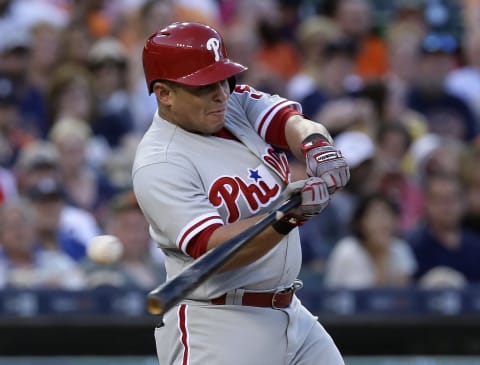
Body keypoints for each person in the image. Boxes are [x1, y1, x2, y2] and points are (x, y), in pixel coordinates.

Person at [132, 22, 349, 365]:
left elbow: (290, 122)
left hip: (291, 312)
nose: (221, 92)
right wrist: (287, 216)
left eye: (223, 79)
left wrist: (316, 146)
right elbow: (218, 251)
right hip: (218, 326)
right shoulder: (159, 163)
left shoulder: (232, 104)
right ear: (165, 94)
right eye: (204, 85)